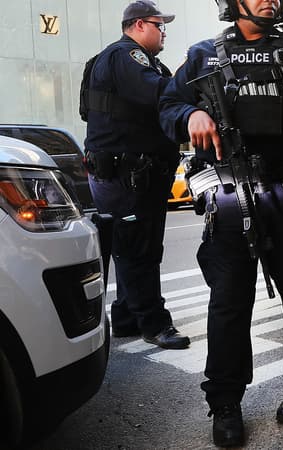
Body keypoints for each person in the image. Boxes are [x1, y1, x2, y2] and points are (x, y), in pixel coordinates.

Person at [158, 0, 283, 446]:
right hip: (230, 199)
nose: (272, 0)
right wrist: (188, 114)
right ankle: (225, 403)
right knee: (228, 305)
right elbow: (167, 105)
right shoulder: (202, 55)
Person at [84, 0, 190, 350]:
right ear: (140, 25)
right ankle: (154, 323)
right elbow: (160, 94)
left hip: (125, 172)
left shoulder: (123, 59)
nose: (163, 34)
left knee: (131, 247)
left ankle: (127, 315)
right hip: (128, 174)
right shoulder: (126, 57)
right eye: (161, 26)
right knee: (139, 249)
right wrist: (189, 76)